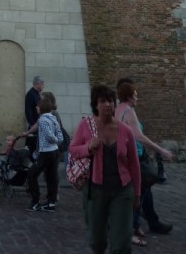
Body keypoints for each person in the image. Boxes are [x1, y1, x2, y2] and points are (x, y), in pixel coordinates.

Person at [69, 83, 141, 254]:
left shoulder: (125, 131)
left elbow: (134, 164)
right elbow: (72, 149)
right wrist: (87, 147)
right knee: (97, 242)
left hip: (122, 191)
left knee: (121, 244)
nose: (108, 104)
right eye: (103, 101)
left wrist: (137, 194)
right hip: (95, 190)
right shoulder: (86, 126)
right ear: (95, 104)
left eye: (110, 100)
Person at [115, 81, 173, 243]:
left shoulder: (117, 110)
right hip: (136, 157)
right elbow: (139, 136)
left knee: (144, 190)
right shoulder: (129, 112)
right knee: (140, 192)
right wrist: (161, 150)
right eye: (135, 95)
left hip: (125, 157)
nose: (137, 98)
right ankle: (132, 225)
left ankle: (150, 222)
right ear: (128, 96)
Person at [26, 94, 63, 211]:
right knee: (52, 176)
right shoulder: (53, 118)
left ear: (41, 108)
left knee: (31, 174)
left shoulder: (42, 120)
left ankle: (35, 201)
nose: (36, 108)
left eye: (38, 106)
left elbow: (49, 135)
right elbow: (60, 134)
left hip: (46, 152)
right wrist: (57, 142)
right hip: (54, 151)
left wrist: (54, 140)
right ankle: (51, 202)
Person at [24, 75, 44, 157]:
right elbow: (28, 110)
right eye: (42, 83)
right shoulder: (30, 94)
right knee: (32, 146)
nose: (43, 85)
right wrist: (32, 123)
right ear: (37, 84)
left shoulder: (38, 94)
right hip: (34, 124)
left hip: (38, 123)